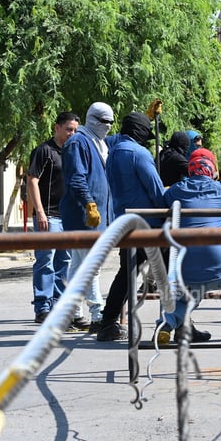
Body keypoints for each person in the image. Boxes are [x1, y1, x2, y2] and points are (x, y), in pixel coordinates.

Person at [159, 149, 221, 343]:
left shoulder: (176, 191)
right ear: (212, 169)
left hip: (185, 268)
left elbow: (165, 197)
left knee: (186, 292)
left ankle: (166, 324)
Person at [96, 112, 167, 342]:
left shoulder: (114, 152)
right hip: (148, 224)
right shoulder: (139, 153)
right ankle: (177, 324)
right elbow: (156, 190)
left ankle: (108, 322)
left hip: (124, 221)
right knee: (171, 271)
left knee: (127, 273)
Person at [60, 102, 115, 332]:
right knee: (91, 264)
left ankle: (72, 313)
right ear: (92, 120)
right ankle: (97, 313)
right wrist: (89, 203)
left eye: (111, 123)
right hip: (84, 215)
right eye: (104, 122)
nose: (108, 127)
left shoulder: (98, 143)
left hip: (96, 216)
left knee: (79, 264)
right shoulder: (78, 142)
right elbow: (76, 178)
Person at [27, 111, 79, 323]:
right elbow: (32, 181)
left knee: (63, 261)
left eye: (75, 130)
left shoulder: (72, 151)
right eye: (68, 129)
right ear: (56, 127)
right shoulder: (44, 151)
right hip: (48, 216)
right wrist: (40, 211)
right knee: (45, 261)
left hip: (67, 216)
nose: (71, 133)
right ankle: (43, 306)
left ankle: (58, 304)